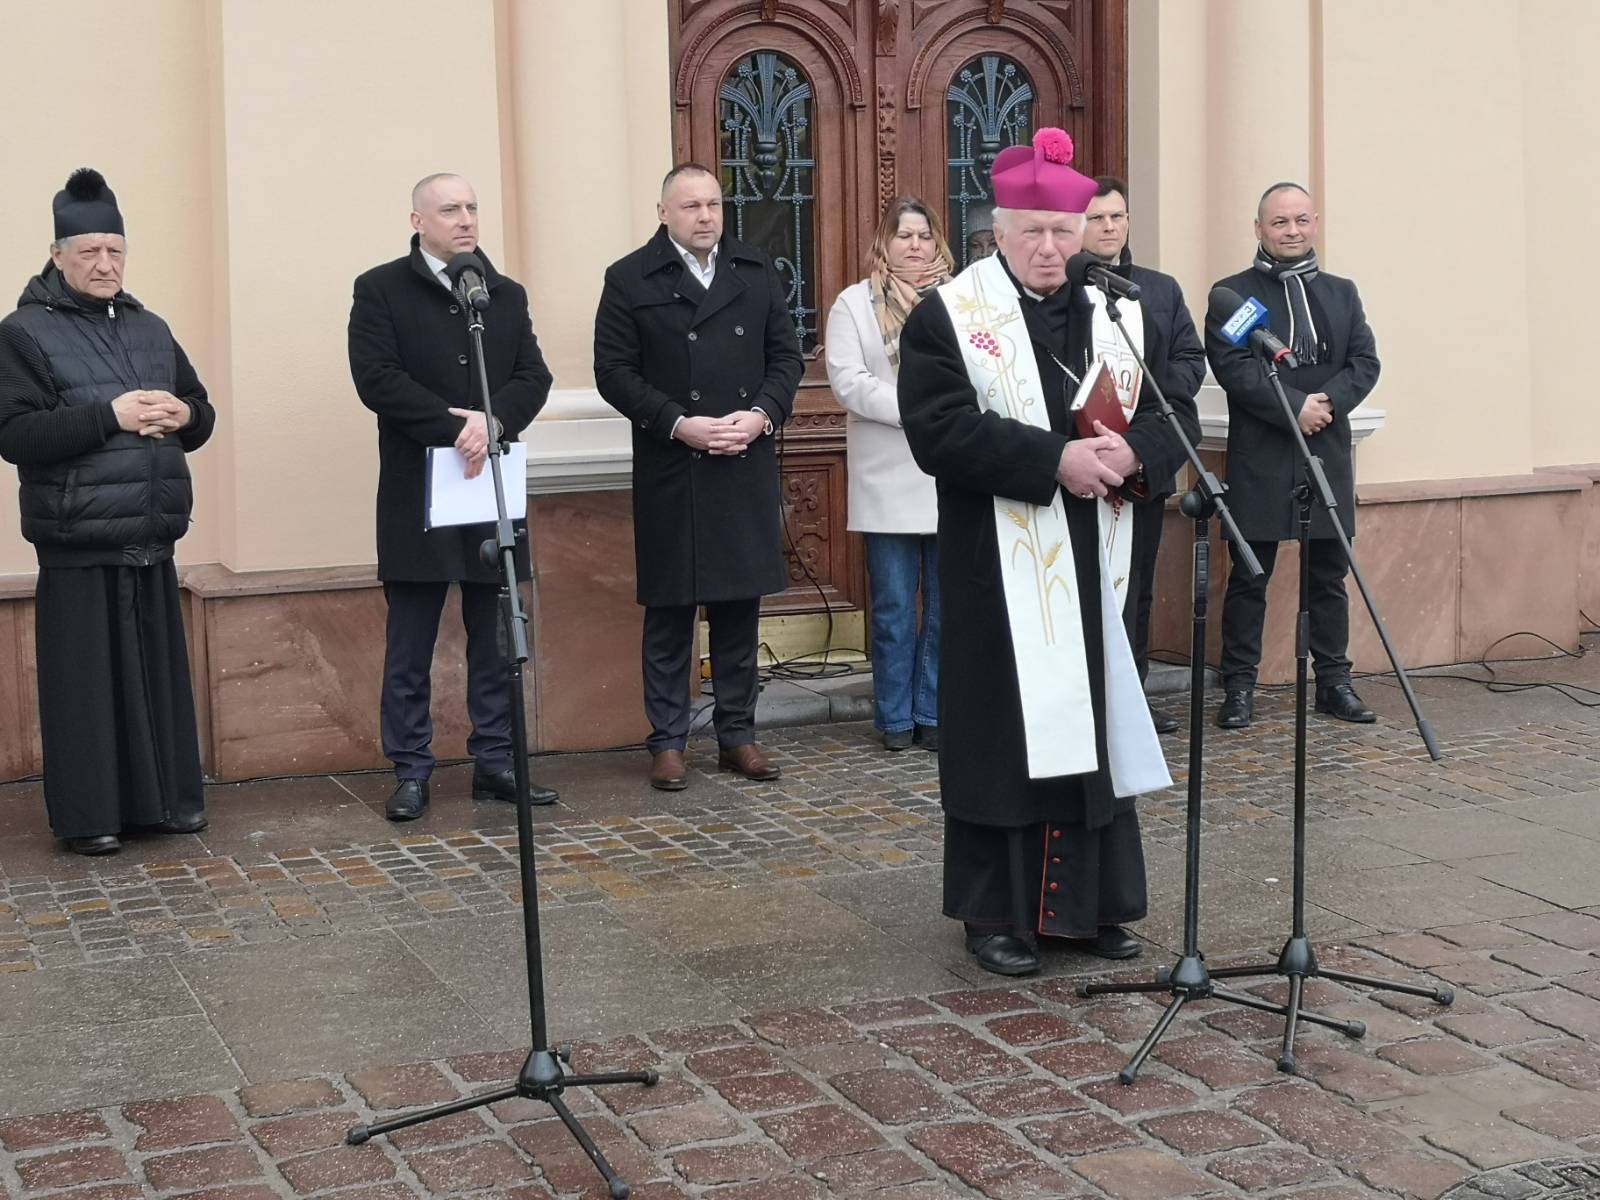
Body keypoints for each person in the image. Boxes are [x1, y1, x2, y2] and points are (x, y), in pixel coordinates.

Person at [898, 130, 1177, 977]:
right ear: (1000, 231)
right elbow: (939, 430)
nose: (1051, 248)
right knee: (1005, 737)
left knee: (1092, 724)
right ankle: (998, 915)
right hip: (997, 563)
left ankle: (1091, 909)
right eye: (1033, 233)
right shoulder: (950, 314)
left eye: (1064, 231)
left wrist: (1136, 454)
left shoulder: (1119, 312)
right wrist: (1053, 460)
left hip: (1098, 556)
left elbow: (1170, 409)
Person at [0, 168, 214, 856]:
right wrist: (109, 416)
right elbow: (15, 435)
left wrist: (185, 415)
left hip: (151, 536)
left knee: (154, 685)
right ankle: (89, 817)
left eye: (115, 251)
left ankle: (166, 806)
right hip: (78, 541)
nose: (104, 264)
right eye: (89, 251)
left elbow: (200, 411)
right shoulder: (22, 333)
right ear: (57, 255)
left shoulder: (151, 327)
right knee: (87, 692)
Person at [349, 173, 557, 821]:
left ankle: (495, 761)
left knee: (494, 640)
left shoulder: (503, 294)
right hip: (418, 493)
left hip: (488, 488)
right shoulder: (380, 289)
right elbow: (377, 379)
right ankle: (411, 769)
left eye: (471, 207)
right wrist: (455, 426)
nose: (465, 219)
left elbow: (534, 375)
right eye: (449, 209)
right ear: (418, 221)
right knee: (410, 644)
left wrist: (494, 421)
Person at [594, 164, 803, 791]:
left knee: (739, 610)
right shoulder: (630, 277)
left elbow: (786, 358)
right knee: (670, 612)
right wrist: (677, 423)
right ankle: (667, 740)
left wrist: (761, 415)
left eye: (713, 203)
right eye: (691, 206)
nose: (706, 216)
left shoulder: (755, 270)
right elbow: (614, 372)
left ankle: (738, 735)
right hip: (673, 464)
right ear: (663, 212)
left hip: (742, 457)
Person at [1206, 182, 1381, 730]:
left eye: (1301, 220)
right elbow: (1235, 368)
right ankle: (1239, 686)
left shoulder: (1341, 293)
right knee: (1249, 576)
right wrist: (1294, 407)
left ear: (1315, 223)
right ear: (1259, 228)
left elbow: (1364, 361)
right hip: (1261, 453)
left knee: (1327, 576)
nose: (1292, 231)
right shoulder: (1233, 296)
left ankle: (1334, 683)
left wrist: (1325, 404)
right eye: (1280, 222)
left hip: (1325, 451)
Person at [824, 197, 953, 752]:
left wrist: (945, 415)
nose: (916, 245)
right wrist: (920, 409)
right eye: (904, 235)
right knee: (895, 609)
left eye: (924, 235)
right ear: (885, 241)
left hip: (949, 470)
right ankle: (895, 718)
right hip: (886, 476)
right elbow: (848, 381)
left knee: (947, 608)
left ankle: (933, 710)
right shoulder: (854, 304)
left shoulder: (960, 299)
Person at [1080, 176, 1205, 735]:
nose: (1109, 227)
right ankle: (1087, 699)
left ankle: (1132, 698)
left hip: (1143, 458)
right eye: (1097, 218)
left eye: (1118, 216)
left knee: (1137, 586)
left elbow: (1189, 360)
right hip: (1085, 458)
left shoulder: (1159, 289)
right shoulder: (1063, 290)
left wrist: (1141, 404)